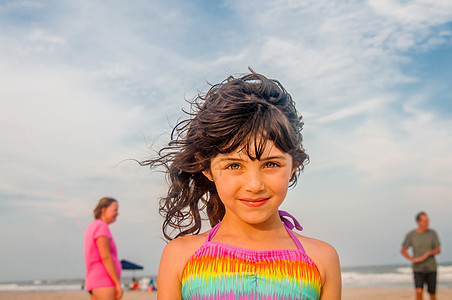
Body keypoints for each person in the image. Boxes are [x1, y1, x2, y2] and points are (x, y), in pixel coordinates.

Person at [141, 69, 341, 299]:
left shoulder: (322, 260)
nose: (254, 185)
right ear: (206, 167)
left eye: (271, 164)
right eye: (234, 166)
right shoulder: (180, 257)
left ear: (294, 163)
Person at [84, 197, 123, 300]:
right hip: (104, 282)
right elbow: (105, 256)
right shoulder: (102, 226)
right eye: (115, 210)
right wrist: (117, 283)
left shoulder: (92, 226)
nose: (117, 213)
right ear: (103, 210)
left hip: (93, 282)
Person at [401, 212, 441, 300]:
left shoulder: (432, 233)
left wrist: (428, 254)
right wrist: (412, 259)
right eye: (425, 221)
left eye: (428, 221)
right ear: (418, 222)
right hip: (418, 268)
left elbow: (438, 249)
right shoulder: (411, 235)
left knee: (432, 294)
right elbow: (403, 250)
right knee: (419, 291)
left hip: (431, 268)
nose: (427, 223)